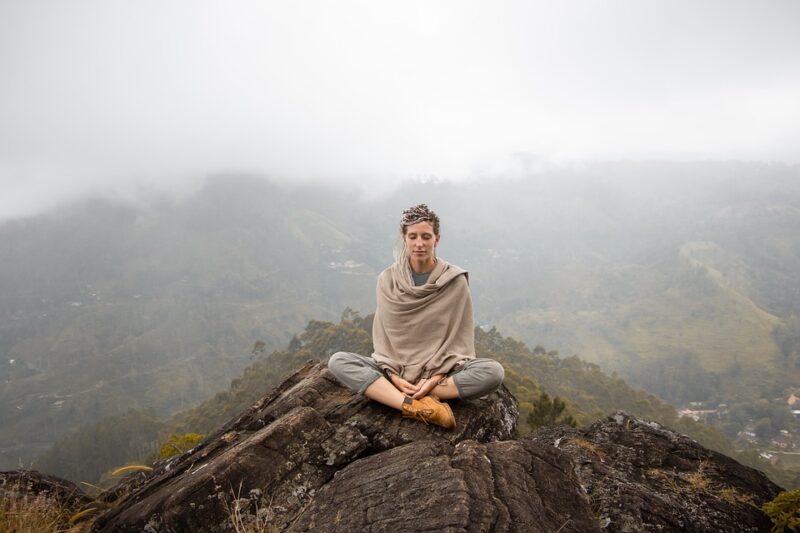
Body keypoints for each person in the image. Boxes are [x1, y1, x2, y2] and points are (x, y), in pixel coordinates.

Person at [327, 204, 505, 429]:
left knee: (493, 372)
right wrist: (393, 375)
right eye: (413, 236)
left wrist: (433, 378)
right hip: (395, 367)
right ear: (405, 239)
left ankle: (398, 396)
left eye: (425, 237)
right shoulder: (388, 279)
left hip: (440, 370)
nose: (419, 243)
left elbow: (458, 339)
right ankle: (414, 405)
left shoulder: (454, 281)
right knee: (338, 361)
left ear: (436, 239)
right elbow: (385, 337)